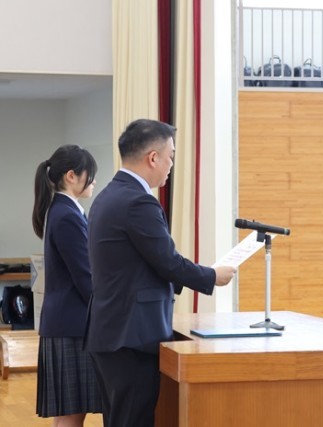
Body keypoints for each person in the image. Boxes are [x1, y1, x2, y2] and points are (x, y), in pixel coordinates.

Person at [85, 118, 237, 427]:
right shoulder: (138, 202)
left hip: (110, 331)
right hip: (131, 336)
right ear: (153, 157)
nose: (171, 165)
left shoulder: (108, 196)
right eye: (171, 156)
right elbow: (168, 262)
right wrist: (211, 276)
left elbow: (140, 265)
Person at [32, 145, 102, 426]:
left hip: (65, 324)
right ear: (71, 176)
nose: (94, 181)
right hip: (71, 327)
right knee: (71, 416)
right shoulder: (67, 215)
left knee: (68, 416)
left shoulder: (64, 211)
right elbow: (86, 278)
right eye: (90, 174)